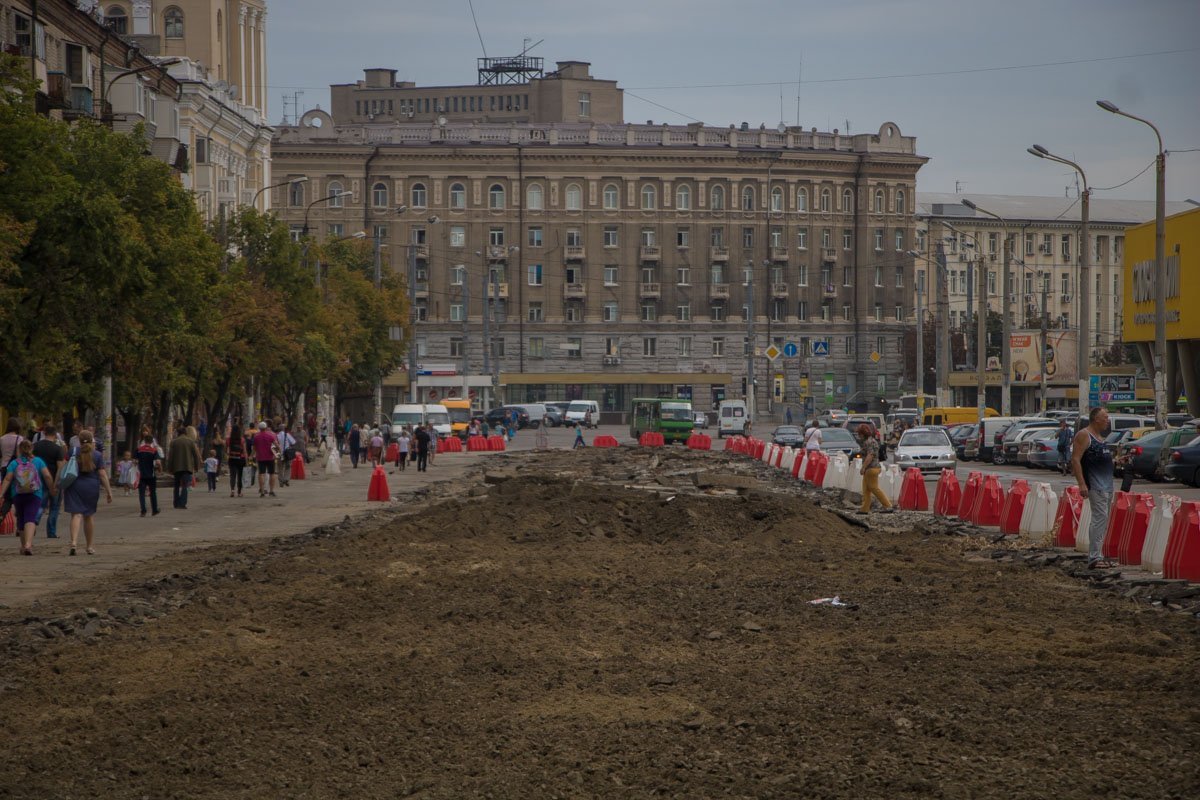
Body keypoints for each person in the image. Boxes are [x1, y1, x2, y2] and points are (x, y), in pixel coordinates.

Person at [1071, 407, 1115, 570]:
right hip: (1095, 486)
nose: (1107, 420)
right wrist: (1081, 483)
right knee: (1099, 519)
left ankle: (1098, 555)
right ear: (1096, 419)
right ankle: (1094, 557)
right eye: (1105, 417)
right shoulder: (1084, 435)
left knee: (1102, 521)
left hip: (1107, 486)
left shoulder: (1100, 438)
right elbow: (1075, 460)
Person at [0, 439, 56, 556]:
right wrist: (51, 489)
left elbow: (8, 479)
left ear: (19, 450)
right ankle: (28, 545)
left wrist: (1, 494)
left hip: (18, 494)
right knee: (30, 518)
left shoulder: (15, 463)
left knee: (21, 519)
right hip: (34, 494)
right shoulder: (38, 461)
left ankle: (23, 545)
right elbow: (46, 475)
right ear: (31, 449)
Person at [61, 430, 111, 556]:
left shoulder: (72, 452)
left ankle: (73, 543)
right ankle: (89, 547)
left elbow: (63, 468)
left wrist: (58, 483)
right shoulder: (97, 455)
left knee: (76, 515)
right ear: (91, 439)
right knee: (88, 516)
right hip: (91, 487)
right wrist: (109, 491)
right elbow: (102, 474)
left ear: (78, 439)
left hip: (74, 486)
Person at [31, 425, 65, 538]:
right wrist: (56, 484)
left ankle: (33, 522)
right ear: (55, 435)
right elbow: (60, 467)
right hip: (53, 479)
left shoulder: (35, 446)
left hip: (38, 480)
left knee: (40, 505)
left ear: (44, 433)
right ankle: (51, 532)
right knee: (54, 507)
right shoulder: (57, 449)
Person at [857, 423, 894, 515]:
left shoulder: (868, 442)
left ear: (863, 433)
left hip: (871, 468)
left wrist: (863, 467)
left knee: (874, 488)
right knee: (866, 489)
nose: (858, 436)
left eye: (859, 433)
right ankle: (864, 509)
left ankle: (888, 506)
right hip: (872, 468)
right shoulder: (872, 440)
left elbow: (870, 455)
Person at [167, 423, 201, 510]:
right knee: (185, 486)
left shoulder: (174, 442)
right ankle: (182, 504)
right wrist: (197, 467)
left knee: (176, 485)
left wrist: (169, 468)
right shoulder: (190, 442)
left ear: (178, 433)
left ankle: (176, 503)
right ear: (185, 433)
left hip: (176, 467)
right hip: (187, 467)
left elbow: (170, 456)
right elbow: (195, 456)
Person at [135, 432, 162, 517]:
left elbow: (135, 461)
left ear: (144, 440)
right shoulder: (154, 451)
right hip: (151, 474)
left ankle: (143, 511)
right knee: (153, 492)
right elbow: (158, 462)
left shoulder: (139, 449)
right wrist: (160, 469)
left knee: (141, 493)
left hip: (141, 475)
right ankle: (154, 510)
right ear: (152, 442)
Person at [252, 421, 279, 497]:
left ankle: (262, 491)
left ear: (259, 428)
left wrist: (251, 456)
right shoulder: (271, 435)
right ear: (266, 428)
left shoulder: (256, 437)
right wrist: (278, 453)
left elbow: (254, 448)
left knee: (261, 474)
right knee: (272, 474)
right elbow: (277, 445)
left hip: (260, 458)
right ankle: (271, 491)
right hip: (270, 457)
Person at [226, 420, 248, 497]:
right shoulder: (242, 439)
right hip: (240, 459)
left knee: (232, 475)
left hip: (232, 458)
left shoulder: (229, 439)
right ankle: (239, 492)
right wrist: (246, 460)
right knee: (240, 475)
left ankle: (232, 491)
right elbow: (245, 451)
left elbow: (227, 450)